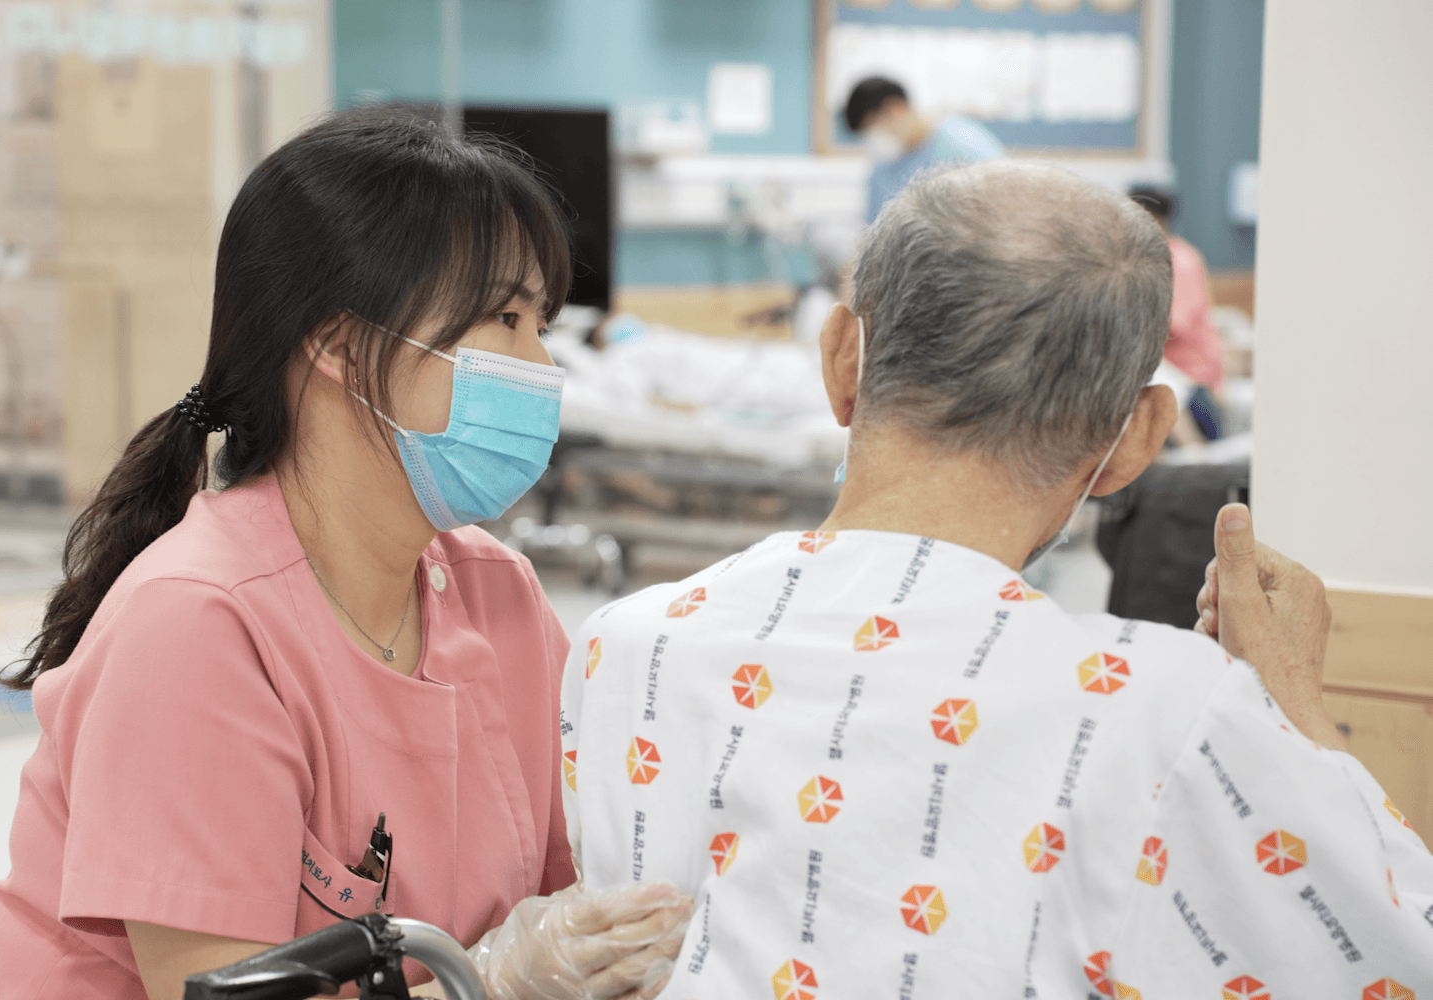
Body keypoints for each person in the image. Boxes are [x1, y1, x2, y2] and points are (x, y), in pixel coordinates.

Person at [561, 163, 1433, 998]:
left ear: (838, 360)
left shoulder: (624, 649)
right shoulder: (1158, 709)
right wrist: (1295, 717)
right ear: (1139, 437)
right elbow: (1396, 959)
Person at [0, 105, 690, 1000]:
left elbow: (575, 898)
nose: (538, 364)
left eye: (540, 322)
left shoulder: (498, 596)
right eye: (503, 317)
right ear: (341, 345)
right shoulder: (198, 624)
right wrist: (497, 983)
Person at [1130, 185, 1228, 440]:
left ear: (1152, 217)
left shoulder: (1178, 261)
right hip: (1179, 383)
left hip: (1192, 388)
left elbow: (1173, 326)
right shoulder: (1158, 257)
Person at [844, 76, 1004, 224]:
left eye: (873, 129)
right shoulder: (881, 171)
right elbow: (872, 232)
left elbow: (997, 211)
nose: (874, 141)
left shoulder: (963, 145)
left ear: (895, 109)